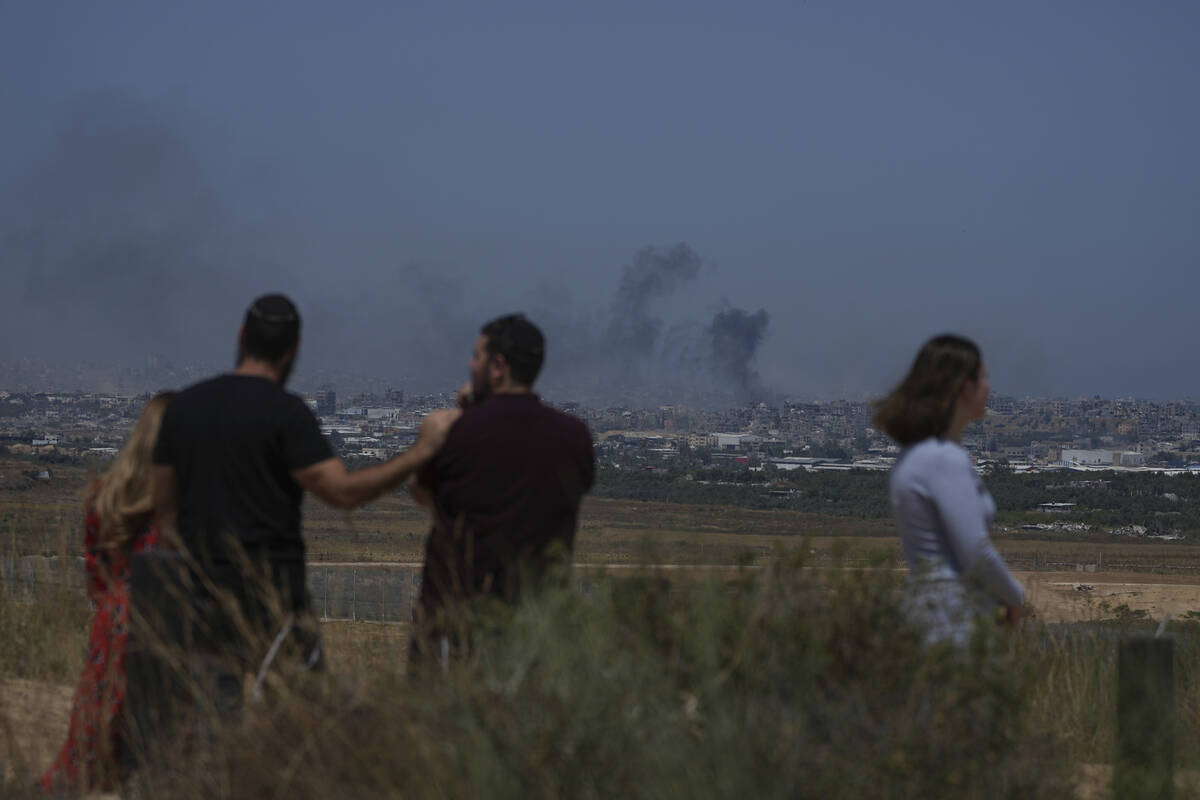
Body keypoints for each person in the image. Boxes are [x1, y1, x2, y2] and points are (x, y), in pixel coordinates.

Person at [144, 294, 459, 718]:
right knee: (297, 724)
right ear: (294, 350)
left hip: (200, 598)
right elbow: (342, 493)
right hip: (275, 599)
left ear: (240, 337)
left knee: (209, 726)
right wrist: (419, 454)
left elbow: (163, 513)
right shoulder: (286, 415)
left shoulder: (183, 409)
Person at [409, 313, 595, 664]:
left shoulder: (458, 432)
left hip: (456, 623)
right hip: (536, 629)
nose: (469, 363)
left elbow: (421, 492)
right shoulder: (575, 437)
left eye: (477, 356)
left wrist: (467, 412)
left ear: (498, 366)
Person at [42, 392, 172, 794]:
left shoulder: (103, 496)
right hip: (169, 632)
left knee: (93, 735)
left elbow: (96, 581)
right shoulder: (186, 505)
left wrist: (115, 611)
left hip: (113, 629)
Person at [874, 334, 1024, 647]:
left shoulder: (914, 455)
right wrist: (1014, 597)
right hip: (955, 619)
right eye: (983, 378)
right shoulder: (944, 459)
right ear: (964, 388)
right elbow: (975, 549)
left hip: (924, 611)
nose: (988, 388)